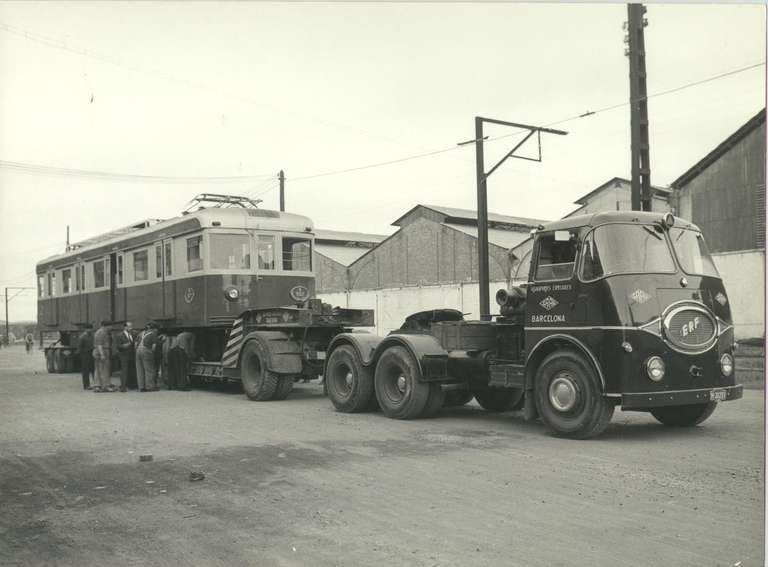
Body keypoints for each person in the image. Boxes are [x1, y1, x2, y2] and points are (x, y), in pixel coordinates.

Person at [136, 322, 159, 392]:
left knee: (140, 369)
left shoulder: (140, 333)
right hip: (146, 350)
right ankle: (150, 387)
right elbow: (154, 346)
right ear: (154, 329)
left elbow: (136, 344)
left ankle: (141, 387)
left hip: (138, 350)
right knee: (149, 369)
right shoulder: (153, 334)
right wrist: (152, 353)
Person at [93, 320, 114, 393]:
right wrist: (102, 354)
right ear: (106, 326)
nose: (111, 327)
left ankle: (99, 386)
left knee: (100, 369)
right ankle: (103, 386)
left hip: (103, 351)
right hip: (101, 351)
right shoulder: (101, 332)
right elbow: (99, 345)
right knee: (103, 369)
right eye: (110, 326)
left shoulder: (103, 332)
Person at [115, 321, 136, 393]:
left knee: (132, 370)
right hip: (123, 355)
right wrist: (124, 346)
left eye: (131, 326)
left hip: (132, 355)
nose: (131, 328)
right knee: (124, 371)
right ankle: (123, 387)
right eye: (129, 326)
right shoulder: (119, 335)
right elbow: (118, 346)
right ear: (125, 327)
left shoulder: (133, 334)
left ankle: (131, 385)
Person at [77, 324, 95, 390]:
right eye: (88, 329)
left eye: (91, 329)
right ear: (85, 329)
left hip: (92, 354)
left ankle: (95, 384)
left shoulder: (92, 336)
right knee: (85, 371)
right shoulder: (82, 337)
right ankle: (86, 385)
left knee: (93, 370)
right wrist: (82, 356)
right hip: (85, 355)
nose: (90, 330)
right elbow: (79, 347)